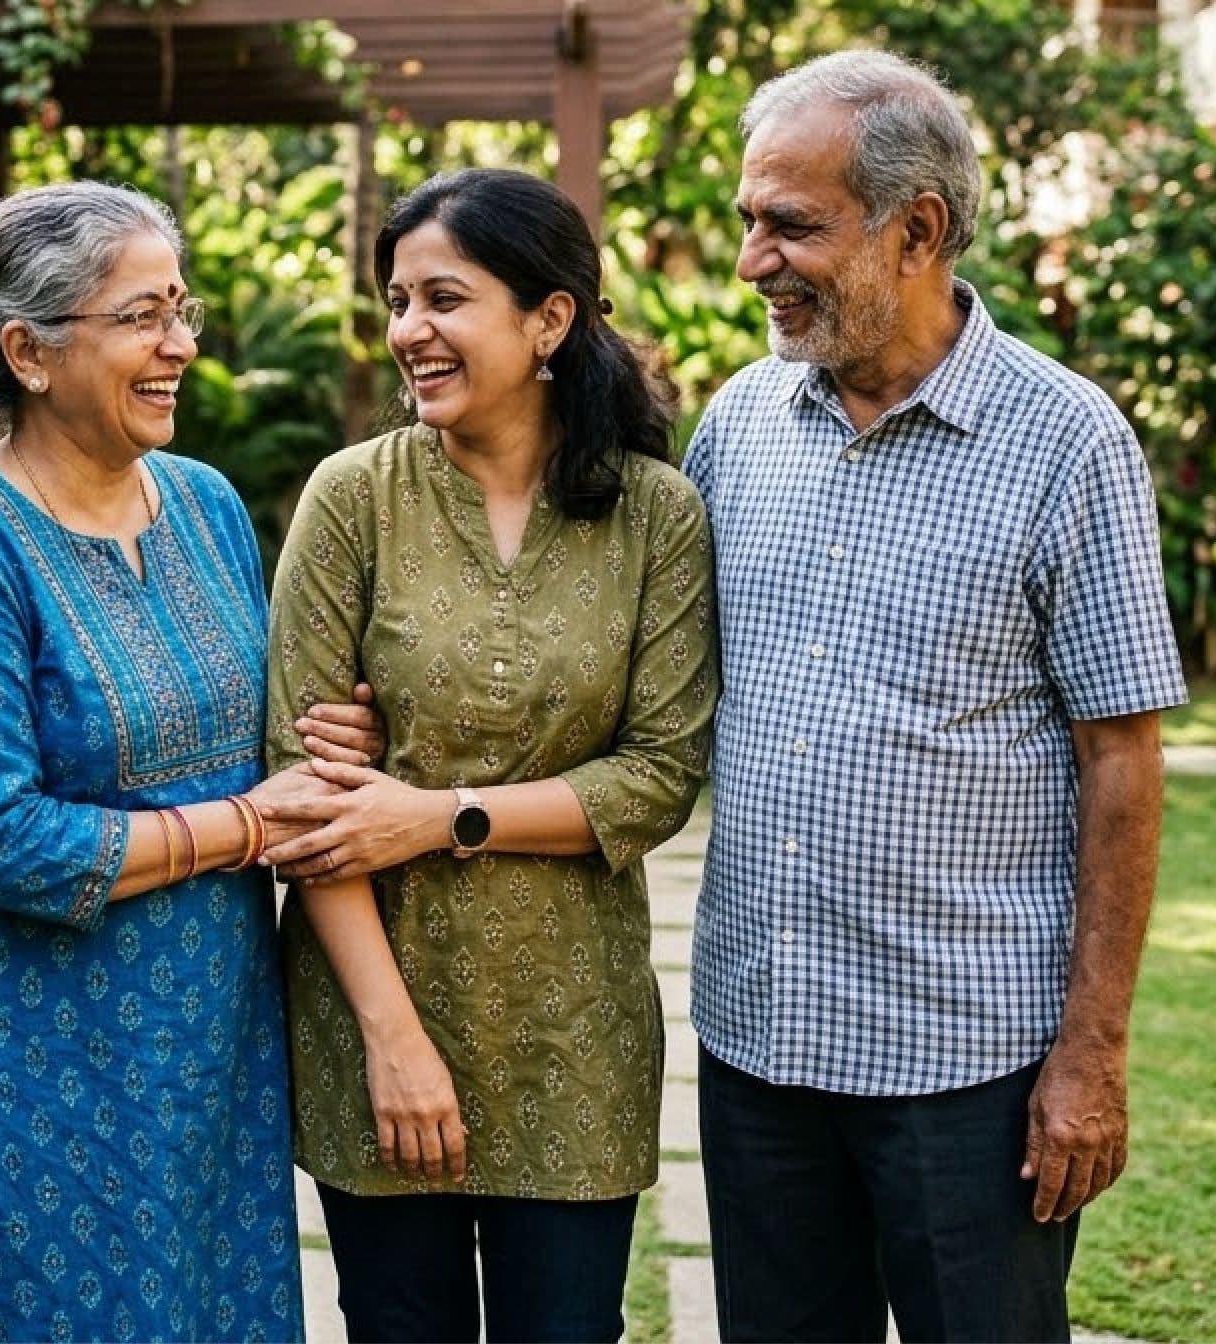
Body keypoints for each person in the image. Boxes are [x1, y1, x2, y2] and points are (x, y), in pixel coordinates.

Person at [683, 50, 1188, 1343]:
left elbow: (1122, 757)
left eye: (790, 226)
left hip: (968, 1071)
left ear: (916, 231)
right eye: (749, 221)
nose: (751, 262)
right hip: (758, 1044)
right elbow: (642, 677)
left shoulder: (1068, 442)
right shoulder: (737, 425)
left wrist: (1093, 1055)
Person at [0, 180, 384, 1344]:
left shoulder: (204, 505)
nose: (181, 344)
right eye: (142, 317)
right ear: (28, 353)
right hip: (35, 1050)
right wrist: (248, 826)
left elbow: (256, 721)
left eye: (180, 309)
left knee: (207, 1304)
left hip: (208, 1035)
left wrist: (329, 741)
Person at [250, 167, 718, 1344]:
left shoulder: (655, 515)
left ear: (548, 319)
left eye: (443, 299)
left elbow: (659, 775)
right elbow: (302, 790)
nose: (409, 330)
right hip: (375, 1013)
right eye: (398, 302)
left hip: (573, 1031)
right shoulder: (352, 499)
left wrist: (436, 813)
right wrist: (392, 1040)